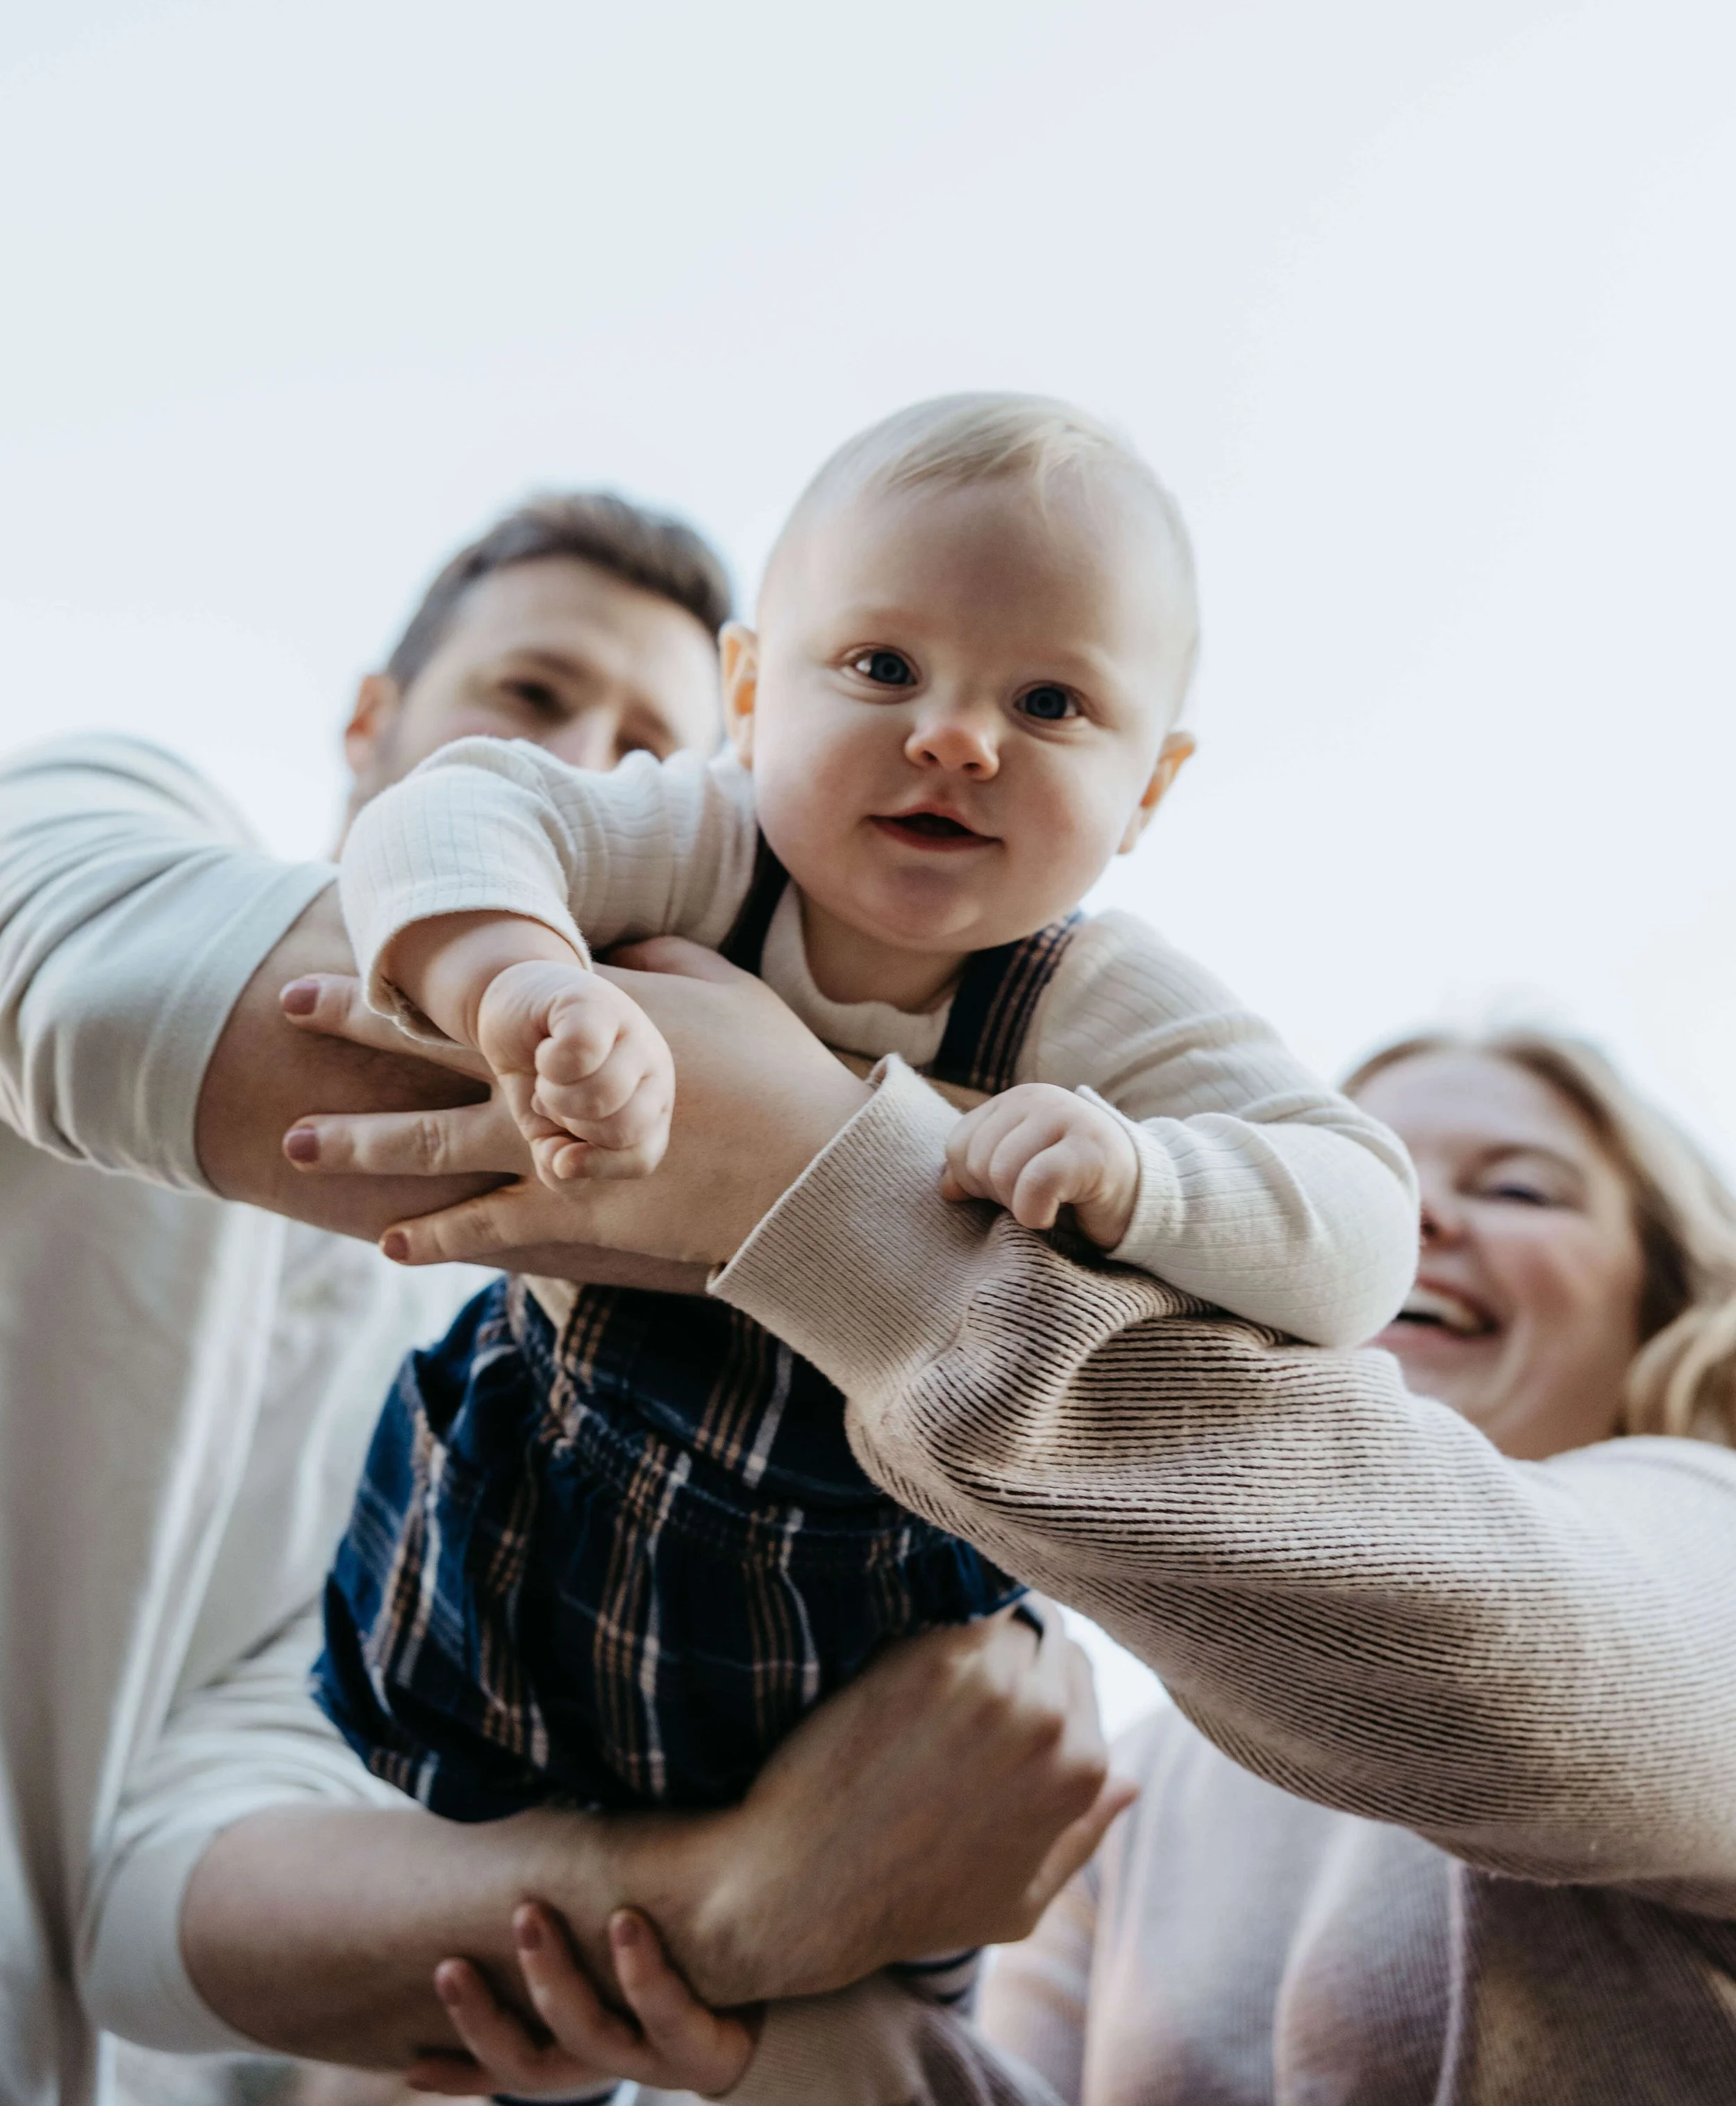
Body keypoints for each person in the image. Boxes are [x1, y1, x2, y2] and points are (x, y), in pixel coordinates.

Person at [1, 491, 1118, 2103]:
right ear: (374, 728)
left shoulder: (510, 1413)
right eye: (530, 700)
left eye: (653, 744)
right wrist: (848, 1180)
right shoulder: (117, 813)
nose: (592, 768)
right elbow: (85, 990)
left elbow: (168, 1904)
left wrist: (744, 1898)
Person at [315, 395, 1417, 1863]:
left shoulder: (1092, 1002)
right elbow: (444, 817)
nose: (956, 738)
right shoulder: (704, 843)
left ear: (1146, 787)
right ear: (755, 695)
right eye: (883, 667)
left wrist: (1145, 1176)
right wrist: (515, 977)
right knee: (455, 1942)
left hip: (862, 1673)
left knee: (870, 1961)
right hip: (524, 1571)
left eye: (1047, 705)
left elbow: (1359, 1225)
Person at [332, 958, 1736, 2100]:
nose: (1425, 1219)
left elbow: (1504, 1662)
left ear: (1665, 1294)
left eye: (1516, 1188)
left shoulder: (1701, 1533)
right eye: (1372, 1181)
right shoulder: (1130, 1789)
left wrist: (821, 1187)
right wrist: (764, 2039)